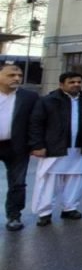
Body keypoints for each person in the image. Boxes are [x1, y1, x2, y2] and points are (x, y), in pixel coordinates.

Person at [28, 71, 82, 226]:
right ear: (62, 84)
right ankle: (45, 212)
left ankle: (70, 208)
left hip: (79, 148)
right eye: (71, 82)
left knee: (76, 179)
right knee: (49, 181)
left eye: (79, 81)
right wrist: (37, 146)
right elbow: (36, 124)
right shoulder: (48, 101)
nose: (76, 84)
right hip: (54, 147)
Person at [0, 63, 39, 231]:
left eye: (19, 75)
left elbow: (36, 123)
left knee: (17, 183)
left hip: (17, 146)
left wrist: (36, 144)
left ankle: (14, 216)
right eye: (11, 75)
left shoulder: (29, 97)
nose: (17, 78)